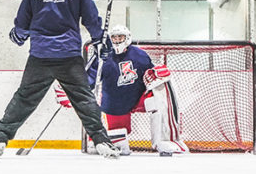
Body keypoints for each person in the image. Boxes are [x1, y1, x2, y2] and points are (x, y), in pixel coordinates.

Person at [0, 0, 120, 159]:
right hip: (68, 55)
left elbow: (23, 22)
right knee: (84, 99)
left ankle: (0, 138)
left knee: (24, 98)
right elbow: (92, 20)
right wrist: (100, 42)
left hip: (40, 55)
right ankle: (102, 141)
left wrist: (19, 35)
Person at [62, 24, 187, 155]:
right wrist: (73, 92)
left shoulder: (140, 55)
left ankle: (165, 140)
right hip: (115, 104)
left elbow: (151, 75)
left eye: (120, 37)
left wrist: (157, 75)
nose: (117, 40)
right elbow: (90, 80)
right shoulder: (103, 57)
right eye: (114, 38)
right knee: (120, 145)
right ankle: (99, 142)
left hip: (138, 98)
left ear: (127, 38)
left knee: (159, 95)